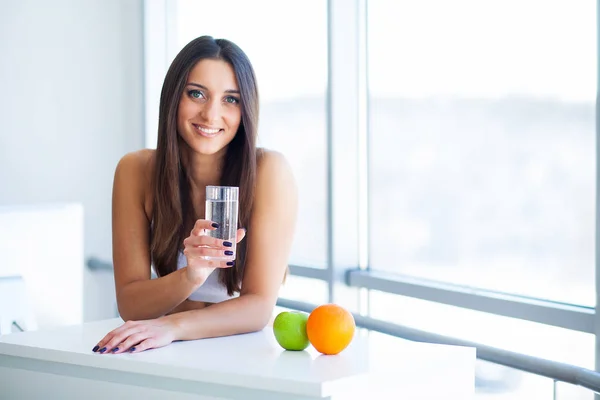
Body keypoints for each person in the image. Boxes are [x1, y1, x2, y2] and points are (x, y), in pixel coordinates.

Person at [92, 36, 298, 354]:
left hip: (238, 350)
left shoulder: (269, 171)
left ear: (246, 110)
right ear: (174, 96)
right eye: (197, 94)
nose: (211, 115)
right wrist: (191, 275)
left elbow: (258, 307)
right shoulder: (136, 170)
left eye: (231, 99)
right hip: (163, 348)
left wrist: (173, 326)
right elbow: (131, 304)